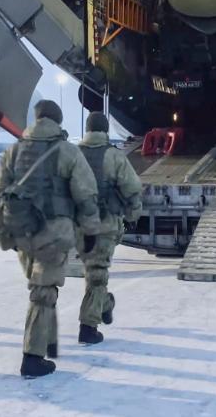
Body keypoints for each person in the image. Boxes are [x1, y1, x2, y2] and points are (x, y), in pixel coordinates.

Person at [0, 100, 102, 378]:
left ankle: (45, 345)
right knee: (43, 293)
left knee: (40, 288)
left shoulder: (13, 150)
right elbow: (86, 196)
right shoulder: (67, 152)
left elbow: (0, 193)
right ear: (58, 120)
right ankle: (33, 357)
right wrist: (90, 232)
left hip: (21, 231)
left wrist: (4, 232)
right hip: (53, 233)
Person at [75, 112, 142, 345]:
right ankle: (88, 327)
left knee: (93, 272)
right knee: (97, 276)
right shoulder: (113, 156)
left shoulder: (73, 154)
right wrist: (133, 214)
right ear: (105, 131)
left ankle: (105, 305)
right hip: (104, 225)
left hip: (79, 227)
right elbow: (132, 187)